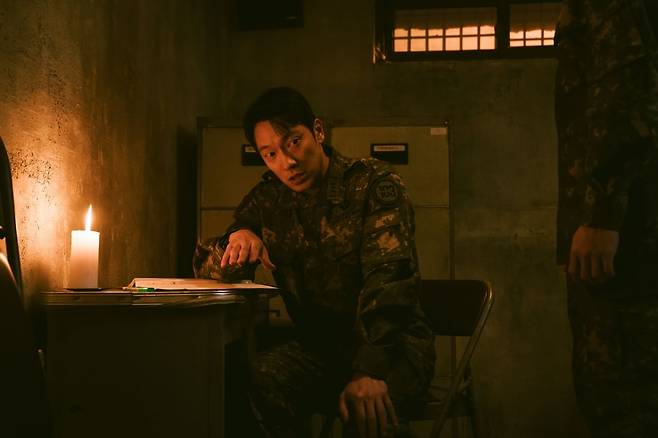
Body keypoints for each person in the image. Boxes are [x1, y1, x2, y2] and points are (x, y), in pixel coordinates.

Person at [193, 87, 435, 437]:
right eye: (270, 154)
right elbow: (208, 270)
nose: (287, 162)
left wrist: (370, 369)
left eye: (294, 142)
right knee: (247, 384)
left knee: (367, 412)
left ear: (318, 131)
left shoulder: (372, 184)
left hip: (392, 348)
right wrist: (239, 236)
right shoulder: (269, 198)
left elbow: (391, 280)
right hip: (322, 351)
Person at [555, 1, 658, 436]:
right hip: (628, 223)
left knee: (621, 397)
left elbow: (628, 90)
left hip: (629, 236)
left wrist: (603, 211)